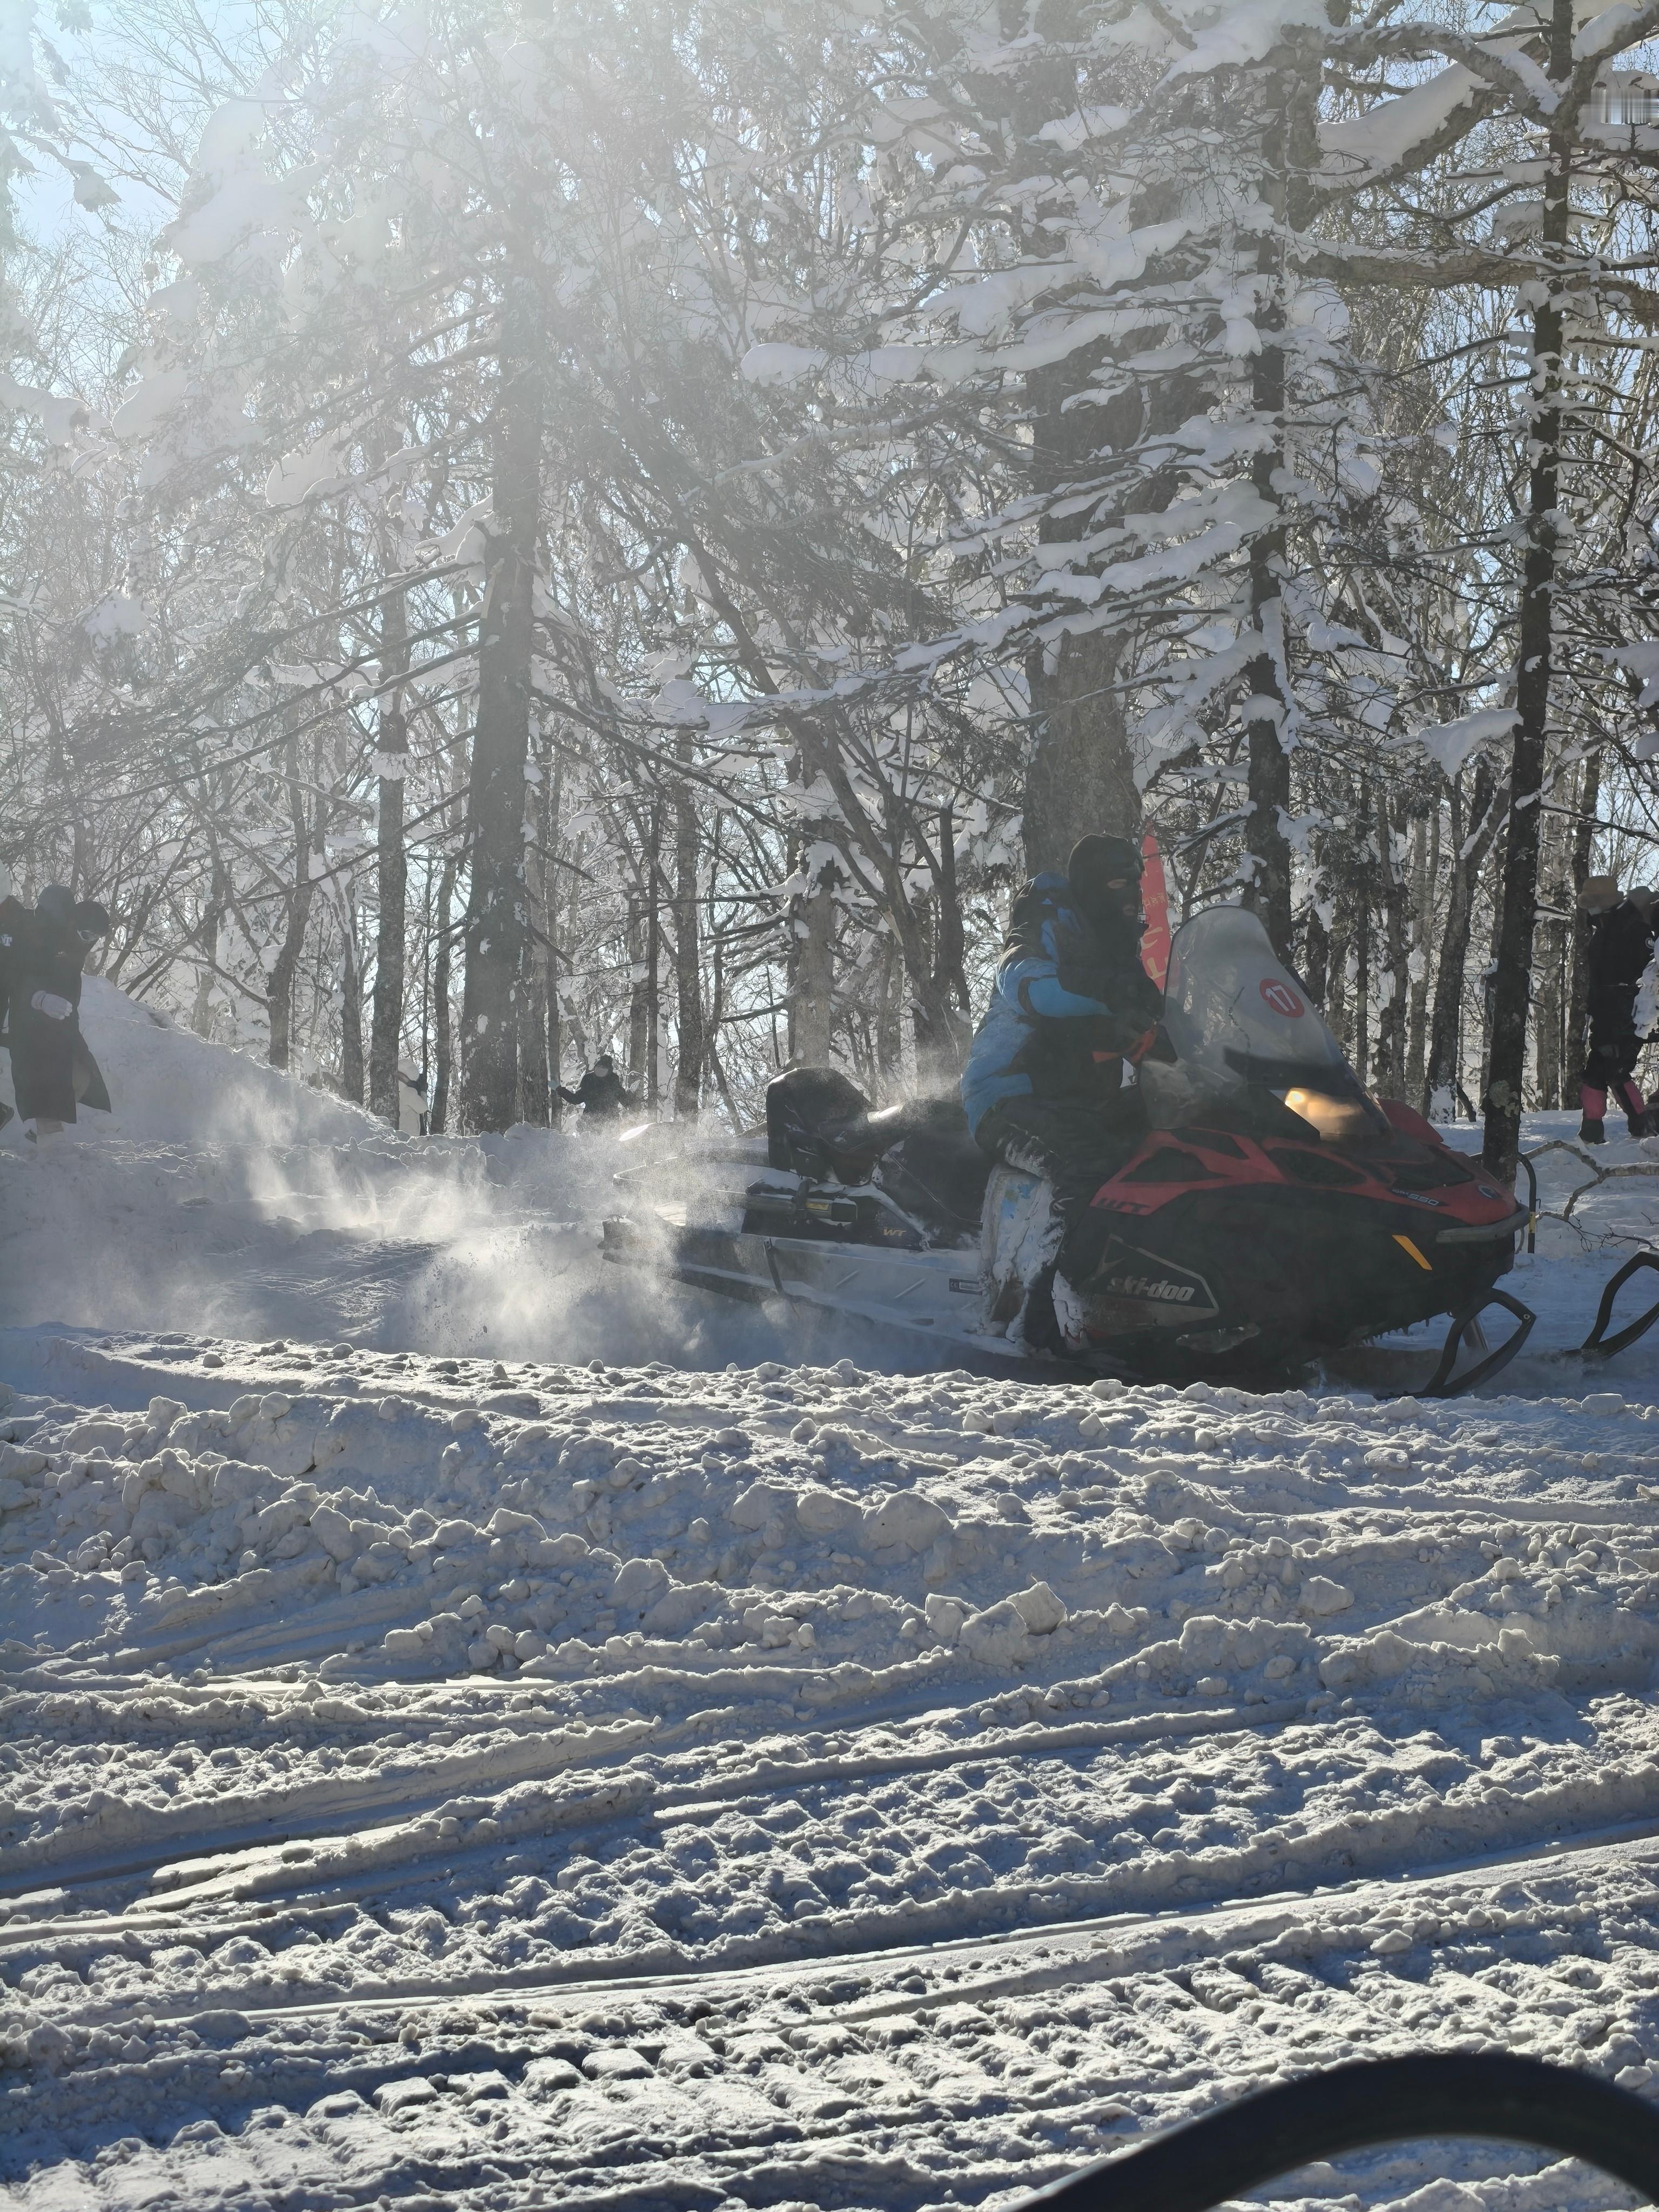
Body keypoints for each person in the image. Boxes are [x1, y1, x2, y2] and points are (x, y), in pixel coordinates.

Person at [961, 833, 1164, 1334]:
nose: (1129, 897)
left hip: (1077, 1104)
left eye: (1135, 886)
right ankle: (1040, 1312)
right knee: (1088, 1161)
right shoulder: (1045, 927)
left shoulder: (1121, 957)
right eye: (1118, 883)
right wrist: (1107, 997)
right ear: (1091, 886)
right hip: (1006, 1097)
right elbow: (1029, 984)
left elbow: (1161, 1023)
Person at [8, 885, 112, 1142]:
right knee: (48, 1087)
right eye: (86, 934)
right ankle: (48, 1148)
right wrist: (40, 999)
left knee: (81, 1078)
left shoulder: (73, 949)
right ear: (73, 924)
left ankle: (39, 1135)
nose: (89, 942)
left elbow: (68, 992)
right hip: (31, 1032)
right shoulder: (43, 939)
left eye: (95, 938)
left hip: (59, 1031)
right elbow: (21, 979)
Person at [1577, 876, 1657, 1144]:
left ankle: (1642, 1129)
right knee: (1598, 1071)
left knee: (1614, 1068)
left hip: (1624, 1014)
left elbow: (1642, 976)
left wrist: (1626, 1018)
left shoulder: (1629, 928)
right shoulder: (1609, 928)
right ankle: (1593, 1133)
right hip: (1609, 1014)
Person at [557, 1052, 636, 1123]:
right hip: (590, 1121)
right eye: (598, 1068)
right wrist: (559, 1089)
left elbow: (625, 1100)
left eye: (603, 1069)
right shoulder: (589, 1080)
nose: (600, 1071)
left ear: (608, 1071)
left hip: (610, 1122)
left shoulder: (613, 1081)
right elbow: (576, 1099)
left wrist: (636, 1108)